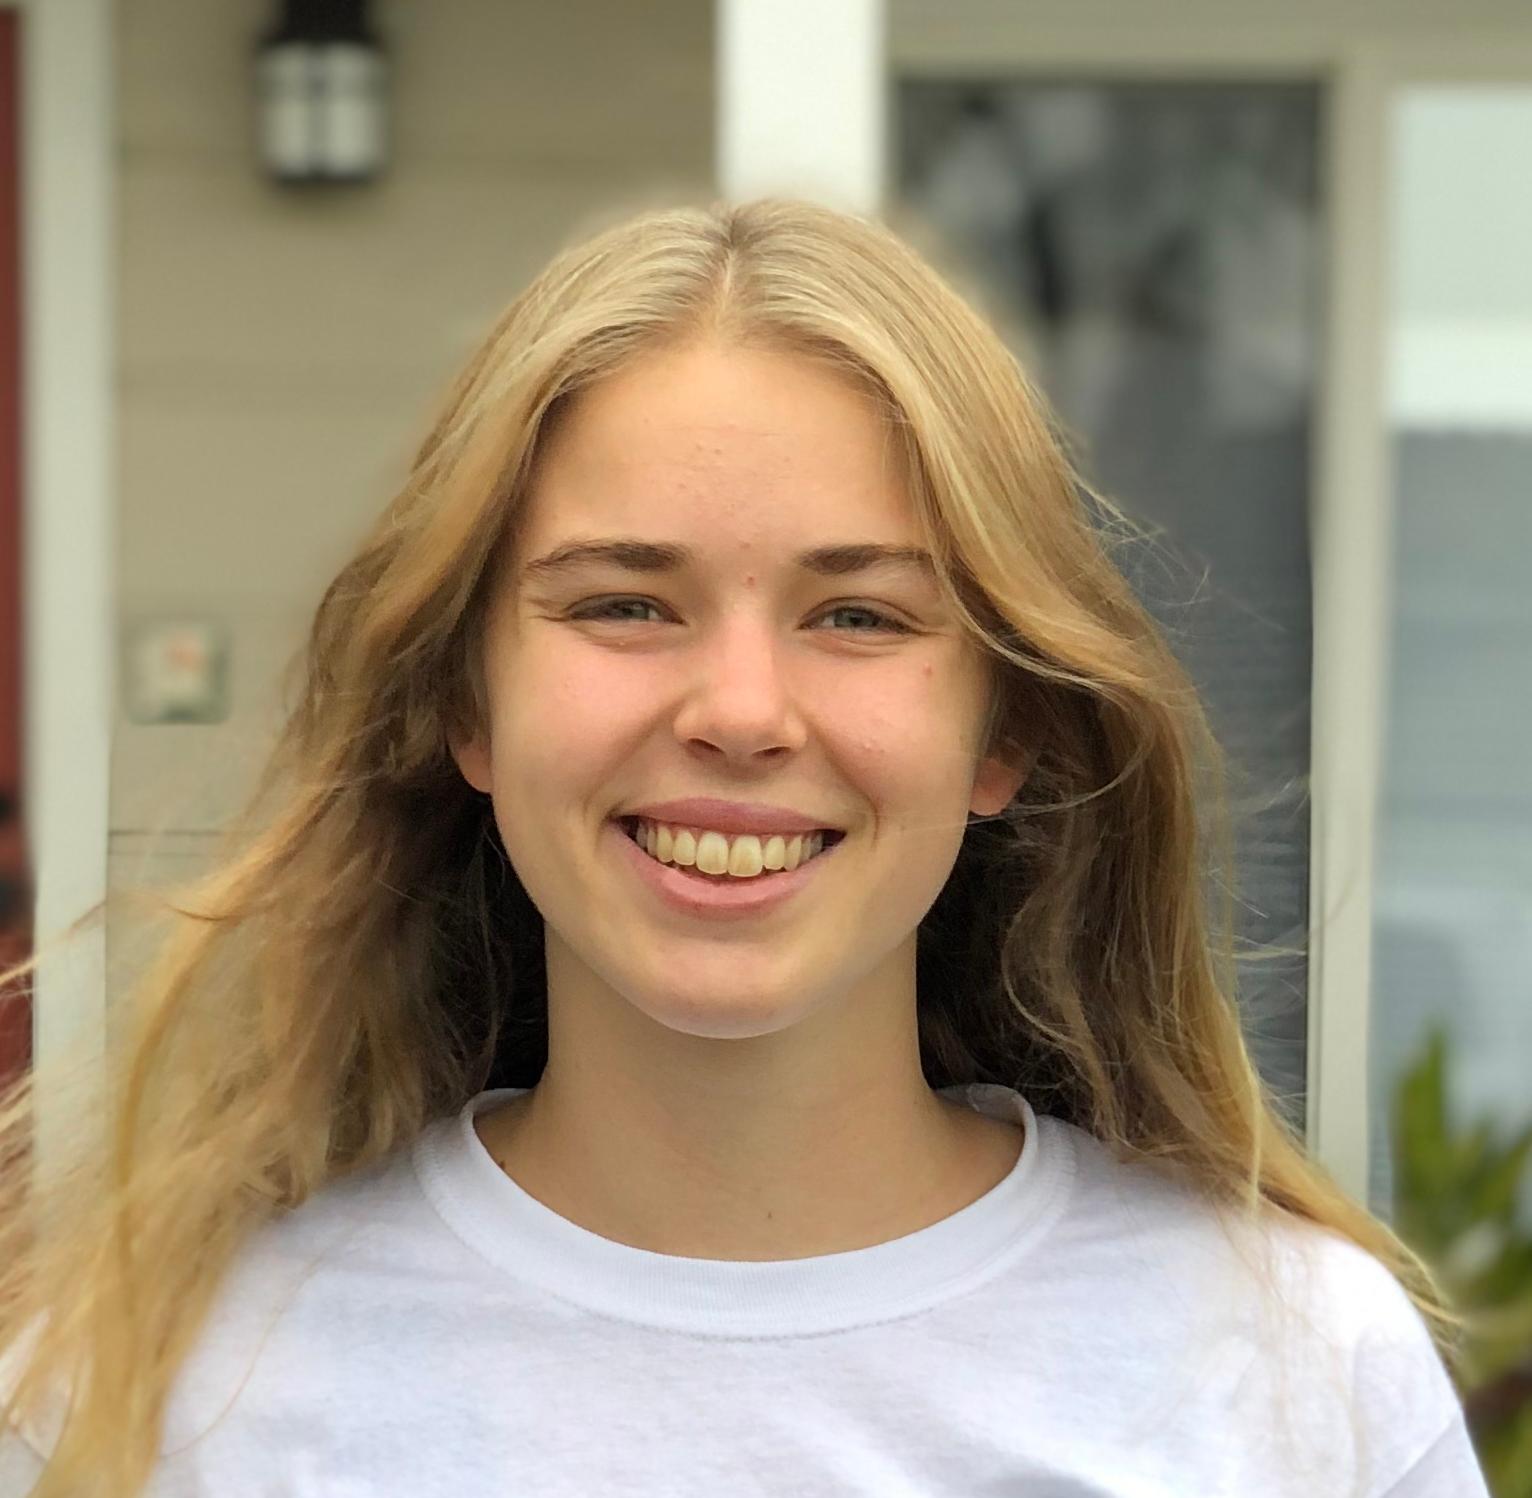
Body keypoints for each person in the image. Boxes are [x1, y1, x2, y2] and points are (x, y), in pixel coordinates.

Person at [0, 198, 1491, 1496]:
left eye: (860, 614)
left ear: (1005, 731)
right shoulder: (147, 1389)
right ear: (468, 700)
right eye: (623, 603)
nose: (739, 711)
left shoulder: (1296, 1370)